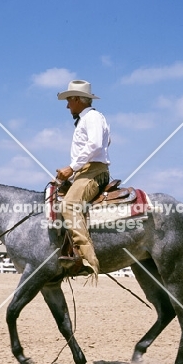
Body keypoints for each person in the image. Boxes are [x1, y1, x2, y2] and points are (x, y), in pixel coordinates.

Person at [56, 80, 111, 277]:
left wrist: (71, 168)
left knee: (69, 205)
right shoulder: (90, 119)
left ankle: (87, 259)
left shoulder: (93, 117)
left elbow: (95, 144)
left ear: (78, 99)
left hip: (92, 172)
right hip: (85, 171)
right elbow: (106, 142)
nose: (67, 105)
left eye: (69, 100)